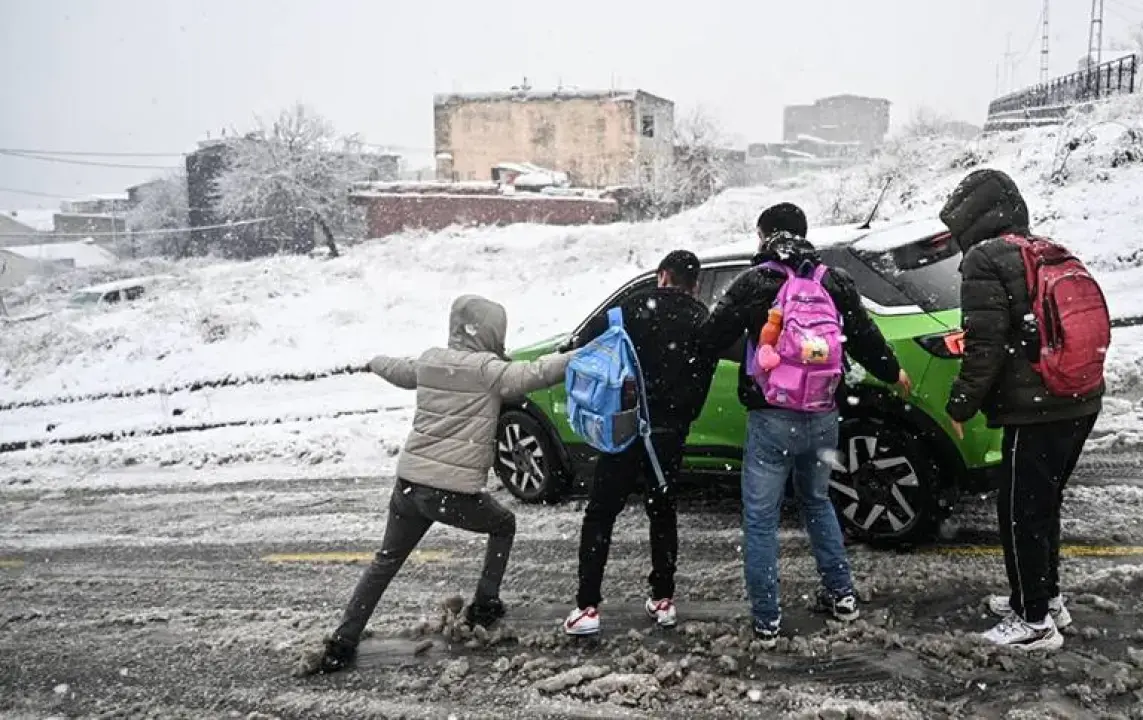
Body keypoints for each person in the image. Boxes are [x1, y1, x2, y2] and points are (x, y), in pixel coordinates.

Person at [303, 295, 573, 674]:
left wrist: (372, 361)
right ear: (492, 331)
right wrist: (578, 358)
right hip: (450, 492)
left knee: (386, 561)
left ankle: (342, 641)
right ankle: (485, 603)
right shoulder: (488, 370)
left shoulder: (431, 361)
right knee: (503, 524)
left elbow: (399, 369)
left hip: (409, 486)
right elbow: (537, 373)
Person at [702, 203, 911, 645]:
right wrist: (893, 372)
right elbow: (867, 337)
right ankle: (842, 597)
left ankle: (766, 621)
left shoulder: (755, 281)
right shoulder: (832, 280)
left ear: (765, 236)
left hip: (772, 416)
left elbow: (709, 339)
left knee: (761, 520)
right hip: (823, 414)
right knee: (817, 503)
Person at [939, 169, 1104, 651]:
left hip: (1037, 409)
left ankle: (1033, 623)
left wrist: (961, 404)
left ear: (971, 217)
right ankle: (1044, 598)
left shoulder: (986, 259)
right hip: (1079, 398)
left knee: (1018, 513)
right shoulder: (1044, 247)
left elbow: (984, 347)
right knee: (1042, 504)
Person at [562, 250, 718, 635]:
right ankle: (663, 599)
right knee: (662, 511)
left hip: (624, 428)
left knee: (601, 514)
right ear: (694, 284)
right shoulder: (702, 320)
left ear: (662, 276)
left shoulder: (629, 310)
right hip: (670, 435)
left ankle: (587, 608)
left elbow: (582, 347)